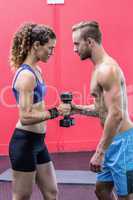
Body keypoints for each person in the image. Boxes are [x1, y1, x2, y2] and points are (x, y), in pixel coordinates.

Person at [58, 21, 133, 200]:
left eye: (77, 43)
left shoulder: (107, 70)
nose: (74, 49)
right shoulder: (98, 68)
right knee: (102, 190)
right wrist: (77, 109)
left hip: (122, 143)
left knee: (126, 196)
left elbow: (116, 115)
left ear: (90, 42)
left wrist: (99, 152)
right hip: (111, 142)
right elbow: (102, 109)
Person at [9, 22, 60, 200]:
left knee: (51, 192)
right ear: (36, 45)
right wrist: (55, 112)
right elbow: (25, 117)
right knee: (22, 197)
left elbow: (38, 107)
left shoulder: (37, 70)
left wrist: (61, 110)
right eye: (50, 48)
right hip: (24, 143)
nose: (52, 52)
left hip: (39, 142)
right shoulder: (26, 75)